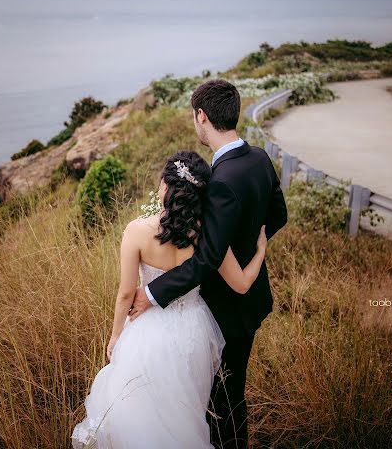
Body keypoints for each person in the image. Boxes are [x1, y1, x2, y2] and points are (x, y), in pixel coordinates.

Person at [71, 149, 269, 449]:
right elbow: (241, 284)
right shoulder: (207, 234)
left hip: (146, 333)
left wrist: (115, 337)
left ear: (165, 186)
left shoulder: (136, 231)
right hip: (195, 334)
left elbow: (126, 293)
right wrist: (260, 254)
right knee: (186, 413)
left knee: (140, 415)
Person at [129, 79, 289, 449]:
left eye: (193, 115)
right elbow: (278, 215)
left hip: (225, 310)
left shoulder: (220, 181)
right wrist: (252, 250)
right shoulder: (259, 158)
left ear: (201, 116)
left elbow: (207, 259)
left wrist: (151, 293)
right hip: (253, 298)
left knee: (222, 401)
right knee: (232, 391)